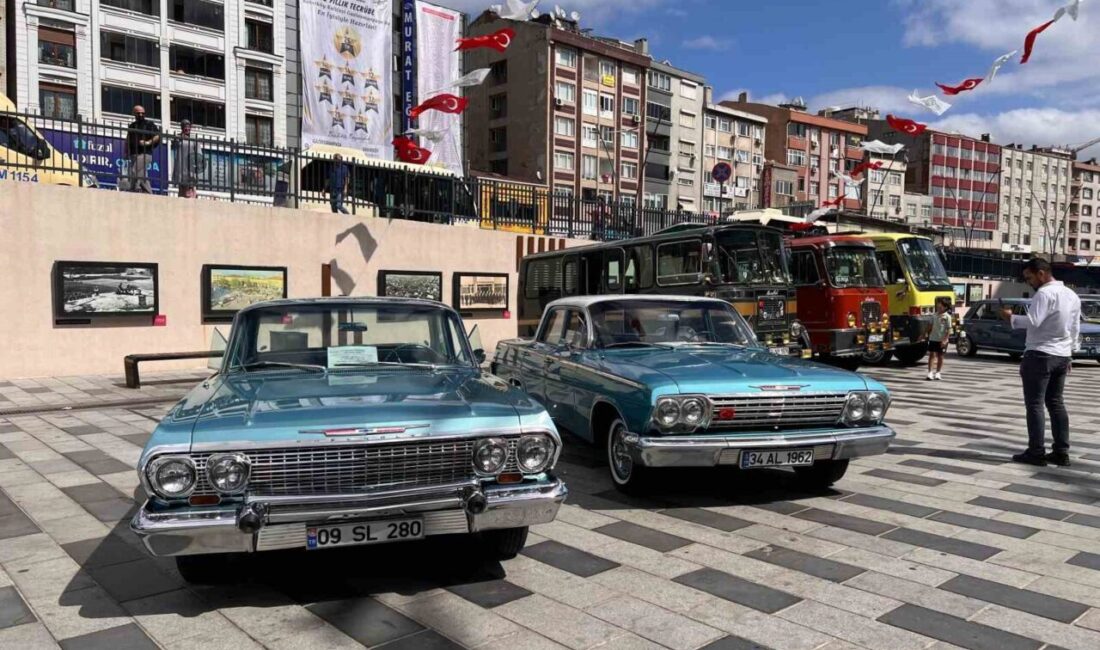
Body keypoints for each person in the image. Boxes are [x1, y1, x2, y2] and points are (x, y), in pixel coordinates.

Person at [1000, 258, 1081, 467]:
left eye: (1030, 278)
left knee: (1035, 404)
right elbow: (1074, 328)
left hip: (1039, 354)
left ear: (1041, 273)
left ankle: (1036, 451)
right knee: (1056, 403)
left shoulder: (1044, 293)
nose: (1029, 283)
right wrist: (1070, 354)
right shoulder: (1071, 295)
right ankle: (1061, 452)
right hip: (1061, 355)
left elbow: (1034, 320)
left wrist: (1010, 318)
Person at [124, 105, 159, 193]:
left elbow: (157, 136)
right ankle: (148, 192)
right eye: (138, 113)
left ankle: (132, 189)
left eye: (142, 113)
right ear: (134, 114)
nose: (140, 115)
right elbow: (128, 139)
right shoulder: (132, 126)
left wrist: (147, 142)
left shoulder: (148, 124)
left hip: (144, 153)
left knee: (134, 170)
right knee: (141, 175)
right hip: (133, 154)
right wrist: (126, 151)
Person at [172, 120, 204, 198]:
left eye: (188, 127)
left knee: (190, 186)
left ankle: (192, 199)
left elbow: (199, 153)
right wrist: (178, 137)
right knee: (182, 186)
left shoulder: (194, 139)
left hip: (190, 164)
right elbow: (173, 145)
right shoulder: (179, 138)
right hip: (180, 164)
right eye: (185, 127)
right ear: (182, 128)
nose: (187, 129)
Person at [926, 296, 952, 380]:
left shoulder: (947, 317)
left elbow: (949, 329)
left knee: (940, 356)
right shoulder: (934, 316)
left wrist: (945, 339)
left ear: (945, 307)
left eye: (940, 307)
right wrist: (924, 334)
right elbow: (929, 326)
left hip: (942, 340)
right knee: (932, 355)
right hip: (933, 338)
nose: (938, 308)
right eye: (937, 307)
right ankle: (930, 373)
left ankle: (938, 373)